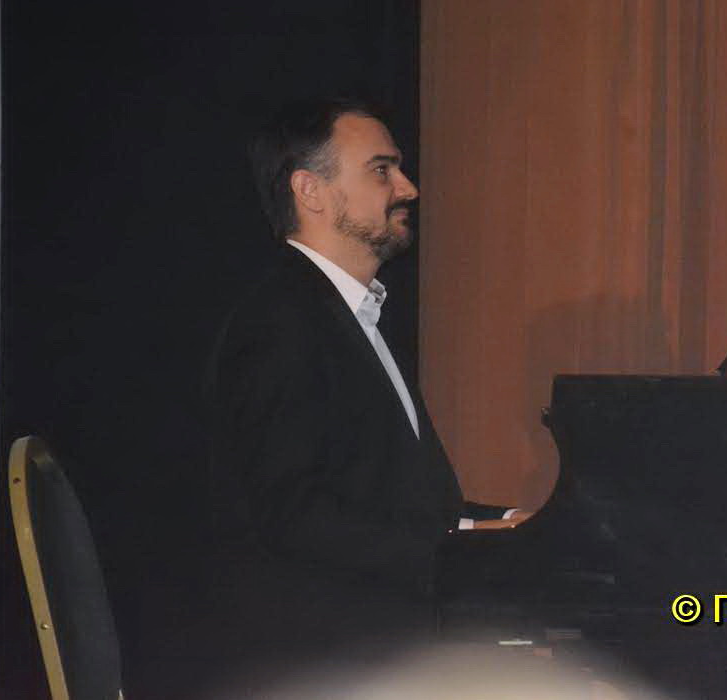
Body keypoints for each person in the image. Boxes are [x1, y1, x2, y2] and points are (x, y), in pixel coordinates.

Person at [200, 98, 524, 693]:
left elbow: (394, 501)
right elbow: (293, 515)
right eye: (381, 170)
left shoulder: (348, 316)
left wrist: (505, 525)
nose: (408, 187)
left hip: (377, 649)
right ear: (311, 191)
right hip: (331, 662)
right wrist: (460, 548)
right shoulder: (281, 322)